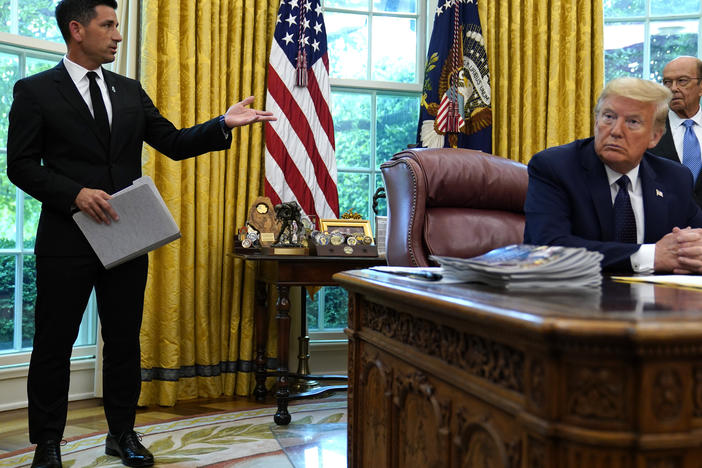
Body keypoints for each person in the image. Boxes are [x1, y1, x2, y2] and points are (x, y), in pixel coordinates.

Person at [6, 1, 275, 467]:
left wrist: (221, 125)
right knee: (54, 344)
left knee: (124, 340)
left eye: (118, 25)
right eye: (107, 25)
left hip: (127, 238)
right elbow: (21, 166)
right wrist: (75, 193)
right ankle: (48, 442)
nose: (117, 35)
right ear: (76, 29)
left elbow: (171, 142)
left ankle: (122, 434)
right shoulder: (33, 91)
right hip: (66, 239)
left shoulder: (129, 90)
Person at [524, 77, 702, 274]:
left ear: (655, 137)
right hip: (573, 299)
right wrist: (650, 256)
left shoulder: (674, 177)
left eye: (632, 122)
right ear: (595, 121)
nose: (616, 131)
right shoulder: (555, 167)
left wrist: (695, 252)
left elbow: (695, 237)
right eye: (608, 117)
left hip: (656, 299)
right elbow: (548, 249)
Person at [650, 56, 702, 207]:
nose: (673, 88)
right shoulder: (648, 129)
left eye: (682, 81)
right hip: (665, 224)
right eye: (667, 82)